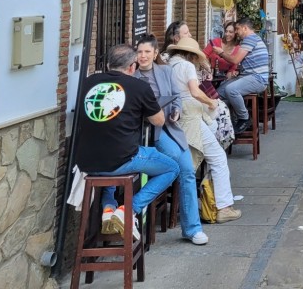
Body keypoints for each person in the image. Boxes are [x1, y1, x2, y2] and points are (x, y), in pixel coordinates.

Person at [74, 44, 178, 241]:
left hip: (87, 162)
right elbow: (158, 121)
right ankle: (128, 210)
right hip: (121, 160)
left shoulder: (89, 82)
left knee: (110, 158)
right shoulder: (139, 87)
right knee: (172, 168)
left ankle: (108, 210)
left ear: (107, 65)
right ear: (133, 66)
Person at [120, 35, 209, 244]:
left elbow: (177, 97)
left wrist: (176, 111)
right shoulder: (131, 76)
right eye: (139, 52)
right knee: (182, 167)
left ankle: (192, 229)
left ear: (155, 53)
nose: (142, 56)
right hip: (147, 135)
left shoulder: (166, 71)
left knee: (187, 170)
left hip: (169, 127)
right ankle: (134, 214)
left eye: (147, 52)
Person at [165, 35, 242, 223]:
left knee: (204, 158)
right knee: (218, 158)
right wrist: (211, 102)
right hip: (191, 118)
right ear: (192, 55)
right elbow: (194, 91)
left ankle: (208, 201)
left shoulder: (168, 66)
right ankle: (223, 206)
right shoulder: (187, 66)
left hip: (176, 118)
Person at [214, 17, 270, 133]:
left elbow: (235, 60)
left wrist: (221, 53)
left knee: (231, 90)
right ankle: (230, 120)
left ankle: (244, 119)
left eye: (238, 29)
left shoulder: (249, 39)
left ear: (245, 28)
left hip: (257, 78)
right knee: (219, 93)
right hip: (249, 76)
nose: (236, 32)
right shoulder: (254, 39)